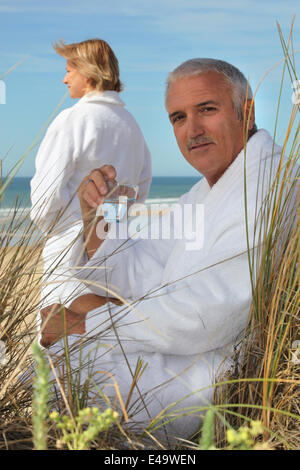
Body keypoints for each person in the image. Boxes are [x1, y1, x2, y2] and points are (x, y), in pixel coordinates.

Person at [40, 59, 297, 441]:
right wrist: (97, 221)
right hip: (175, 352)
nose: (192, 130)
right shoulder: (206, 191)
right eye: (178, 117)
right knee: (52, 343)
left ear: (247, 111)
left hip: (208, 380)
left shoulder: (269, 186)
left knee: (57, 375)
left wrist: (87, 324)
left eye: (206, 109)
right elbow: (145, 267)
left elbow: (207, 316)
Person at [30, 38, 152, 321]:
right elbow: (139, 191)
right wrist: (113, 225)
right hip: (116, 246)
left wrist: (55, 230)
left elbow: (46, 194)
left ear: (87, 72)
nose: (64, 79)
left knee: (57, 343)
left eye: (69, 70)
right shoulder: (131, 124)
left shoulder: (73, 119)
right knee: (106, 337)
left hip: (70, 249)